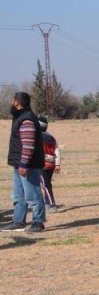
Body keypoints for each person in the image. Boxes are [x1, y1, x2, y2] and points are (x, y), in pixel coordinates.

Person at [4, 91, 46, 232]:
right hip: (19, 163)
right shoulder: (20, 117)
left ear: (17, 102)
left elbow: (28, 143)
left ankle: (38, 222)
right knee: (19, 195)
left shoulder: (26, 119)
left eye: (12, 99)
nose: (11, 102)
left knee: (32, 194)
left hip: (28, 165)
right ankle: (18, 221)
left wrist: (24, 164)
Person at [39, 117, 60, 210]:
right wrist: (57, 164)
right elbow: (57, 151)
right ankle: (47, 202)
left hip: (42, 164)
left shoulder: (38, 138)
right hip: (52, 163)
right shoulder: (51, 137)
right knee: (47, 184)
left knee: (45, 185)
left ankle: (51, 204)